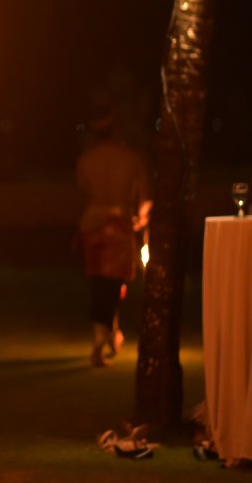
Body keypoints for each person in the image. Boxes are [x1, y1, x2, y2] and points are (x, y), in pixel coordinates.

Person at [75, 106, 151, 367]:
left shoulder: (85, 160)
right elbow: (146, 199)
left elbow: (83, 194)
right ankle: (102, 338)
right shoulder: (131, 158)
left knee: (99, 283)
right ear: (115, 129)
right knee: (113, 284)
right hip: (119, 226)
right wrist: (141, 220)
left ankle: (108, 332)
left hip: (92, 224)